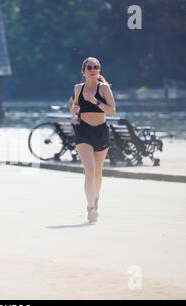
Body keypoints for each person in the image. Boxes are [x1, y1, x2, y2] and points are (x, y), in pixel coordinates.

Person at [71, 57, 116, 222]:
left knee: (98, 172)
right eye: (89, 67)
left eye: (96, 67)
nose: (93, 69)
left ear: (99, 70)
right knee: (89, 171)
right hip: (83, 131)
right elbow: (74, 108)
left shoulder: (103, 88)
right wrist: (74, 113)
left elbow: (112, 111)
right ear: (84, 71)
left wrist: (95, 101)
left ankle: (95, 200)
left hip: (100, 132)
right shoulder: (78, 88)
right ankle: (91, 207)